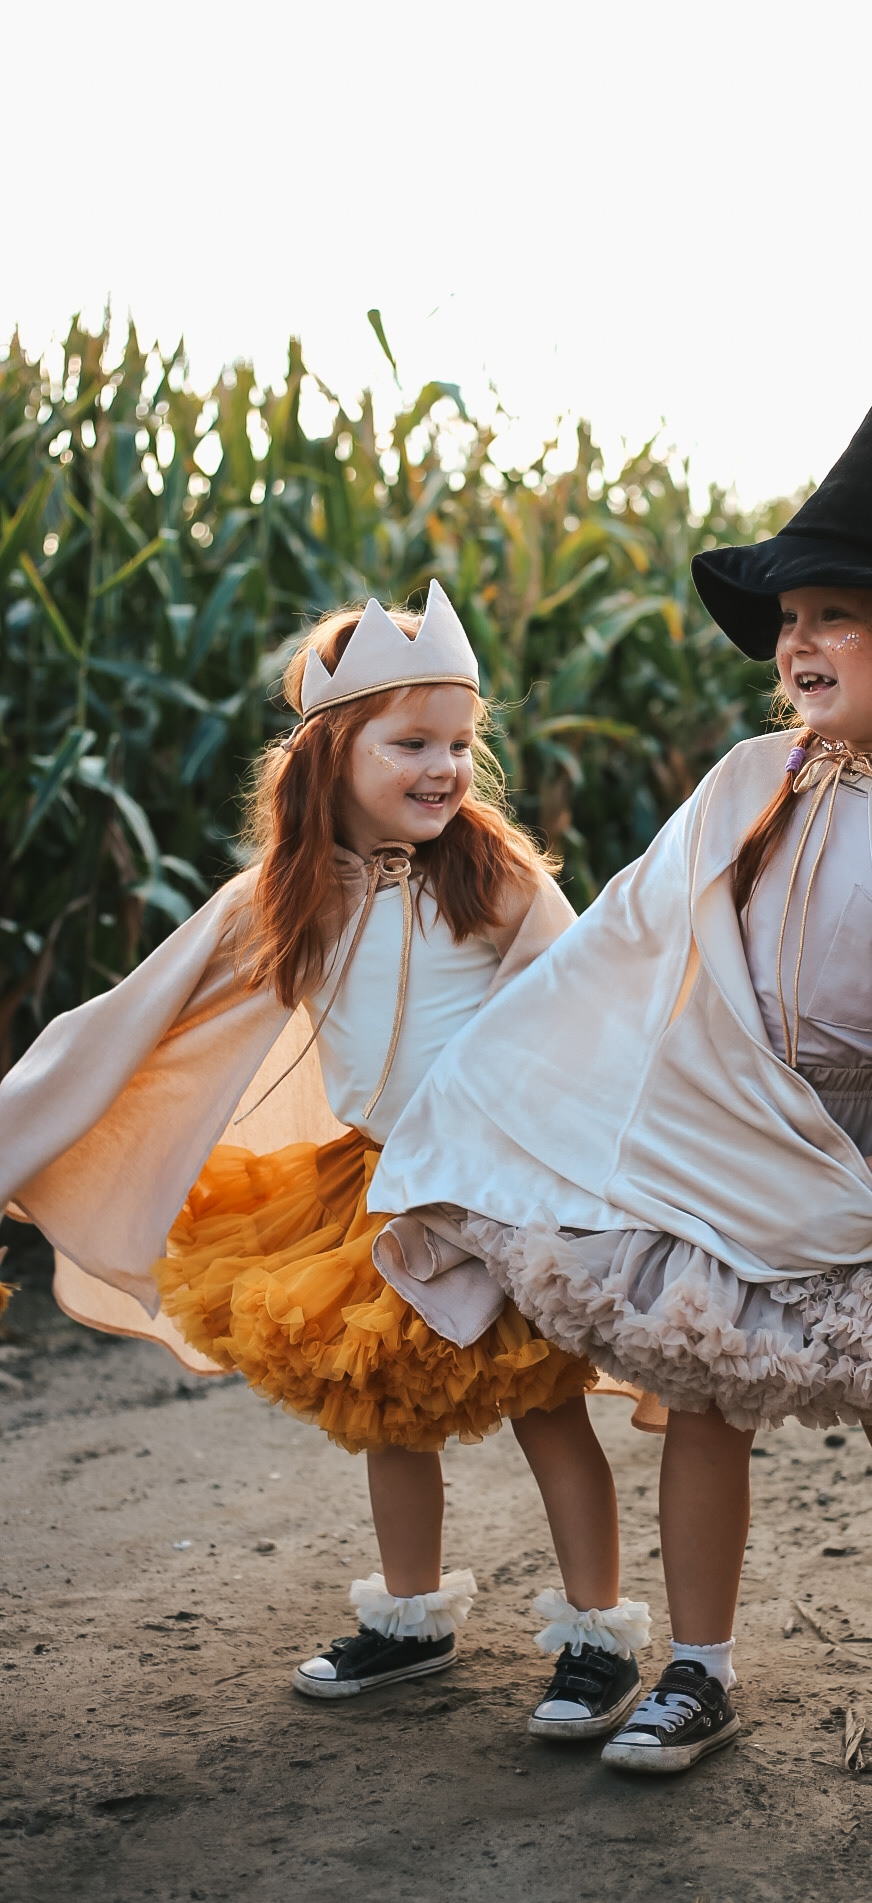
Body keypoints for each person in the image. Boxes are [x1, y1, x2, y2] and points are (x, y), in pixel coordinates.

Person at [368, 248, 872, 1791]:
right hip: (733, 1140)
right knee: (699, 1400)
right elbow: (626, 951)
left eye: (835, 613)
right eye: (788, 618)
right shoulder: (755, 784)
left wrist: (865, 1189)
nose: (797, 643)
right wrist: (498, 1084)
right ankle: (695, 1671)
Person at [0, 588, 649, 1733]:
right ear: (328, 754)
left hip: (500, 1188)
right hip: (373, 1188)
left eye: (461, 744)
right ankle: (409, 1618)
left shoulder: (492, 874)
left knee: (548, 1409)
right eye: (413, 744)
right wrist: (30, 1129)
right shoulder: (280, 896)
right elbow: (142, 1019)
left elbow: (580, 1007)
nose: (446, 769)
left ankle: (596, 1636)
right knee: (385, 1404)